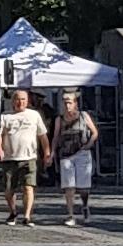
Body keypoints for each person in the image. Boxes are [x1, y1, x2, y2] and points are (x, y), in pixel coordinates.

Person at [0, 88, 49, 225]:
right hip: (10, 158)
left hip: (29, 157)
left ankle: (27, 216)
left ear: (28, 101)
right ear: (13, 101)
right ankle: (13, 212)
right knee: (9, 189)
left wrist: (47, 152)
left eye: (23, 99)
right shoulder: (5, 116)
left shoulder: (34, 115)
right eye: (18, 99)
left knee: (28, 187)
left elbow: (42, 135)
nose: (21, 102)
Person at [50, 91, 98, 225]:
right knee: (68, 186)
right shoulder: (60, 119)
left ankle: (85, 205)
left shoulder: (83, 116)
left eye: (69, 102)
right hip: (66, 155)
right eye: (65, 103)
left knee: (83, 188)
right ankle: (70, 214)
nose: (67, 105)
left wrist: (88, 144)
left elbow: (94, 133)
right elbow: (56, 137)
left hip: (82, 153)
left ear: (75, 103)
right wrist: (52, 152)